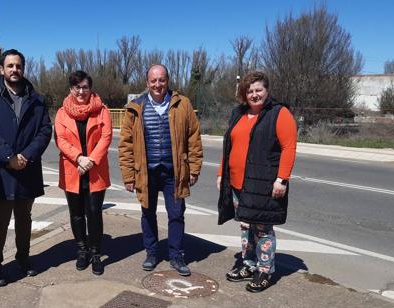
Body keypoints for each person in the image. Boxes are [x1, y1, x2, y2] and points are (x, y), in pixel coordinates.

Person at [0, 49, 52, 287]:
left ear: (23, 68)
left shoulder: (36, 98)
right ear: (1, 69)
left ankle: (23, 259)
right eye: (10, 66)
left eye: (18, 66)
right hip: (2, 170)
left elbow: (45, 130)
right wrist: (9, 156)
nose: (14, 70)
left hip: (27, 170)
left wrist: (26, 156)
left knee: (24, 219)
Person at [118, 64, 203, 276]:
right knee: (148, 214)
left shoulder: (182, 104)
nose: (158, 84)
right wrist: (129, 176)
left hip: (174, 172)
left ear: (168, 81)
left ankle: (176, 255)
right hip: (146, 173)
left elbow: (194, 138)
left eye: (162, 80)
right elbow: (126, 145)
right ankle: (152, 253)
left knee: (176, 215)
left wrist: (193, 169)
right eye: (153, 80)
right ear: (147, 83)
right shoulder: (135, 107)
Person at [217, 71, 297, 293]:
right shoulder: (239, 114)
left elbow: (288, 148)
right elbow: (228, 147)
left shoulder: (279, 114)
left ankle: (265, 270)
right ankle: (249, 264)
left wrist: (282, 179)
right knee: (245, 226)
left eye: (258, 90)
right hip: (236, 183)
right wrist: (220, 174)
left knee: (262, 228)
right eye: (250, 91)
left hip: (262, 184)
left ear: (267, 90)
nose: (254, 95)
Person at [54, 70, 112, 275]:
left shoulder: (101, 110)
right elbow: (60, 139)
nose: (81, 91)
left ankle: (95, 253)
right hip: (73, 169)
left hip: (95, 170)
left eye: (85, 87)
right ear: (71, 89)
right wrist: (79, 158)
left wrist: (90, 160)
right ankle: (82, 250)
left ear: (90, 88)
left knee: (94, 213)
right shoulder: (62, 112)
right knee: (77, 214)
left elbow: (106, 137)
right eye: (77, 87)